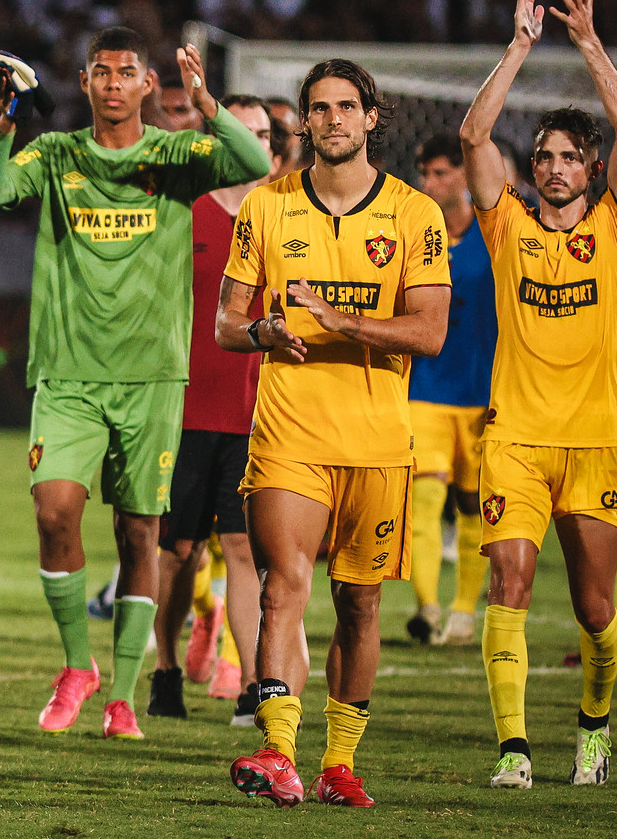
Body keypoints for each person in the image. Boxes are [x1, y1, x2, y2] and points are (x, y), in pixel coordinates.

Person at [0, 28, 269, 742]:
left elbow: (254, 158)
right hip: (68, 374)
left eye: (126, 72)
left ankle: (125, 693)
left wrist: (205, 101)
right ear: (82, 81)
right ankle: (78, 665)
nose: (111, 83)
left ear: (145, 86)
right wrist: (6, 125)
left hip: (152, 378)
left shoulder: (176, 154)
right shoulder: (57, 153)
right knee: (53, 511)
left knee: (140, 531)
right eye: (100, 71)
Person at [219, 58, 451, 808]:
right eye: (319, 109)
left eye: (347, 106)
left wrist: (342, 320)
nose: (334, 120)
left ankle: (338, 762)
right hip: (288, 433)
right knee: (282, 588)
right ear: (305, 121)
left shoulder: (416, 214)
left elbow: (431, 331)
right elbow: (226, 322)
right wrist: (262, 329)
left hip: (379, 441)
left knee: (360, 605)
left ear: (372, 117)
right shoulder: (266, 207)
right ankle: (279, 749)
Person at [459, 0, 617, 789]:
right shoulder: (507, 227)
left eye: (571, 156)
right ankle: (513, 749)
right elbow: (472, 136)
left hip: (598, 440)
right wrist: (521, 44)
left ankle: (594, 730)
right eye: (545, 156)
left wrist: (588, 42)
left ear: (592, 168)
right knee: (510, 580)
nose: (556, 166)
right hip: (516, 441)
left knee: (597, 614)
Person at [149, 95, 273, 727]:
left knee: (245, 551)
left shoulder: (287, 221)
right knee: (179, 554)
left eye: (263, 133)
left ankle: (252, 682)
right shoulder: (185, 213)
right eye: (241, 132)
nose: (254, 144)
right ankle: (165, 667)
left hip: (258, 417)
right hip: (185, 408)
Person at [406, 133, 497, 647]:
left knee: (472, 506)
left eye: (440, 172)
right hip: (425, 389)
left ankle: (464, 609)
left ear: (463, 175)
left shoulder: (494, 232)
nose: (430, 182)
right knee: (423, 500)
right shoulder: (415, 235)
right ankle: (428, 608)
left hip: (483, 395)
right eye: (425, 173)